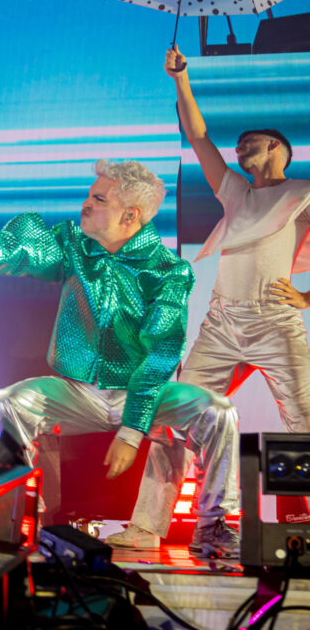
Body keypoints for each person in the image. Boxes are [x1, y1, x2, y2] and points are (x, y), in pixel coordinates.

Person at [0, 159, 242, 558]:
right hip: (77, 392)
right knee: (8, 403)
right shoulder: (73, 245)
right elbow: (17, 250)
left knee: (218, 411)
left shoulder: (169, 272)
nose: (86, 204)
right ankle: (20, 518)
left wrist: (131, 431)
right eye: (89, 195)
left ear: (130, 215)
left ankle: (214, 526)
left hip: (142, 394)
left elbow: (160, 353)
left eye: (98, 199)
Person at [108, 47, 310, 552]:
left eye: (249, 144)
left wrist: (306, 297)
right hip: (222, 324)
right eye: (237, 147)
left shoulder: (301, 193)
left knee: (305, 421)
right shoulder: (236, 191)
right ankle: (149, 527)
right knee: (175, 418)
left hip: (276, 323)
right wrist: (181, 79)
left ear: (277, 147)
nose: (239, 150)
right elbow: (198, 136)